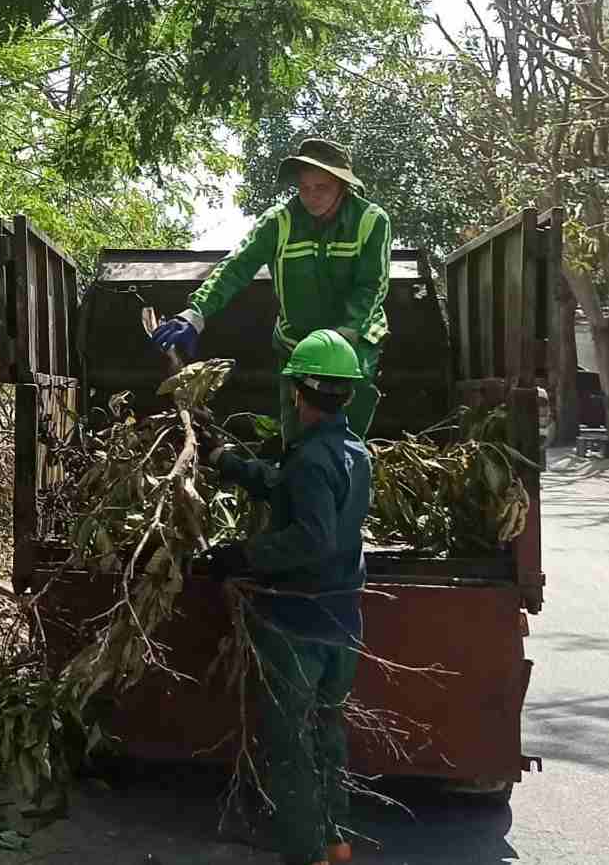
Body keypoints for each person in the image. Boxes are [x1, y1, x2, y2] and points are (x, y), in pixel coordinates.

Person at [196, 329, 372, 865]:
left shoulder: (313, 458)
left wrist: (239, 555)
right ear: (346, 393)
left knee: (291, 744)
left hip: (300, 624)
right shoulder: (352, 452)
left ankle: (304, 852)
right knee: (327, 733)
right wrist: (227, 460)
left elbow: (309, 537)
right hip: (342, 621)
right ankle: (336, 842)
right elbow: (287, 487)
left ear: (299, 391)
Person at [153, 138, 391, 442]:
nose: (311, 196)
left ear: (343, 186)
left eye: (322, 188)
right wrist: (195, 313)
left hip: (353, 341)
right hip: (297, 342)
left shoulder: (371, 221)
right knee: (296, 435)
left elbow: (372, 285)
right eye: (304, 188)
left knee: (346, 435)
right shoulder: (279, 221)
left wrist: (344, 334)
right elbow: (236, 267)